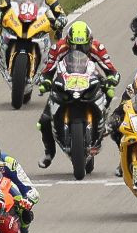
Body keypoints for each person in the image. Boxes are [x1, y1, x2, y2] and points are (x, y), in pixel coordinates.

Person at [35, 21, 121, 168]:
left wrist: (111, 80)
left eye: (83, 46)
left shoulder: (97, 48)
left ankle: (103, 115)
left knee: (109, 94)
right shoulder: (58, 48)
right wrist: (45, 82)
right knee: (44, 121)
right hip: (65, 81)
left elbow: (112, 71)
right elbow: (48, 70)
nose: (79, 49)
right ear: (68, 42)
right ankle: (49, 153)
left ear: (90, 41)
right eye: (75, 46)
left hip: (90, 80)